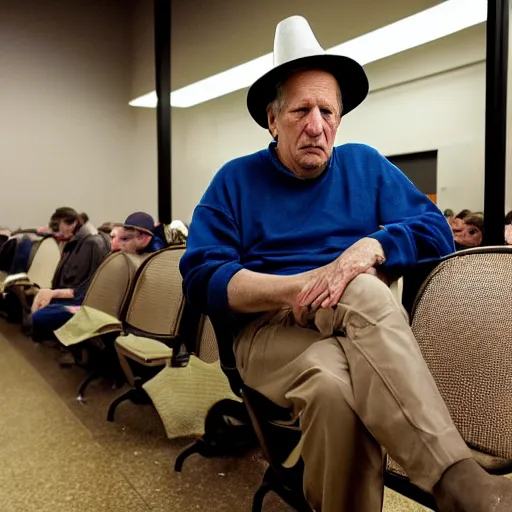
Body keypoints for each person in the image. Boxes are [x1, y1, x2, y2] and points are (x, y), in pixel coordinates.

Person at [180, 15, 512, 512]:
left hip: (352, 332)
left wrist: (370, 248)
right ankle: (459, 485)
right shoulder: (235, 181)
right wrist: (298, 287)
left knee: (336, 389)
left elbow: (435, 231)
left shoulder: (366, 166)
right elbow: (202, 276)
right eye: (300, 111)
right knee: (363, 290)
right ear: (273, 120)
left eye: (327, 112)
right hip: (269, 331)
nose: (316, 126)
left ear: (339, 119)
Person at [30, 212, 162, 340]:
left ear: (143, 239)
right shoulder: (116, 260)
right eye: (113, 238)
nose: (114, 244)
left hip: (108, 314)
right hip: (91, 304)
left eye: (124, 239)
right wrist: (52, 293)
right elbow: (82, 291)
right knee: (46, 307)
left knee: (43, 315)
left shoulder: (141, 264)